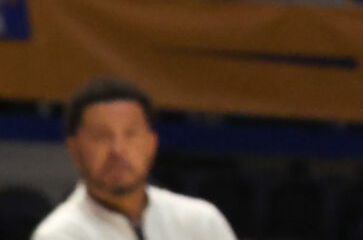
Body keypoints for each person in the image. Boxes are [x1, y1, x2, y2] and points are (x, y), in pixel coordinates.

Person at [33, 78, 236, 239]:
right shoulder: (60, 234)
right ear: (74, 149)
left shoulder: (201, 221)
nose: (118, 150)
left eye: (130, 134)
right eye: (101, 136)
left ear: (152, 143)